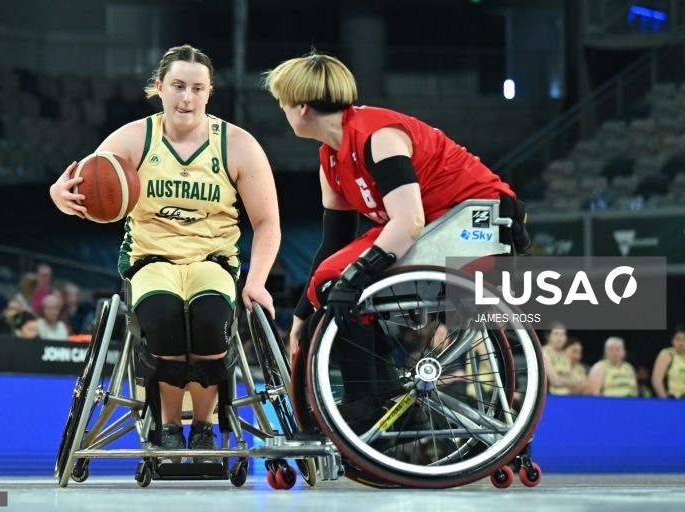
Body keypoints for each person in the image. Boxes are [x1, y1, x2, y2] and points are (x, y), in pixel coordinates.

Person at [49, 45, 281, 462]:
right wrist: (57, 194)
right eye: (177, 86)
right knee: (164, 320)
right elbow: (84, 183)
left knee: (211, 323)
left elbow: (267, 223)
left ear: (210, 92)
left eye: (196, 88)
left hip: (212, 261)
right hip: (150, 260)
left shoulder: (238, 145)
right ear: (159, 88)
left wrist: (258, 281)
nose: (186, 98)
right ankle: (170, 426)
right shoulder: (136, 137)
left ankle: (206, 427)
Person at [262, 52, 530, 400]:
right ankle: (378, 395)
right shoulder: (329, 157)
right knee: (328, 296)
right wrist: (302, 312)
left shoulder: (378, 137)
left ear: (300, 108)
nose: (281, 112)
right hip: (429, 223)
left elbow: (410, 220)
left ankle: (368, 403)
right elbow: (335, 245)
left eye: (281, 104)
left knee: (343, 286)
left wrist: (355, 276)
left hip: (473, 217)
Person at [651, 326, 685, 399]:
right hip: (674, 399)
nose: (681, 343)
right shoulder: (667, 354)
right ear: (672, 341)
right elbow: (656, 381)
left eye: (684, 339)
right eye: (678, 339)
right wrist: (666, 401)